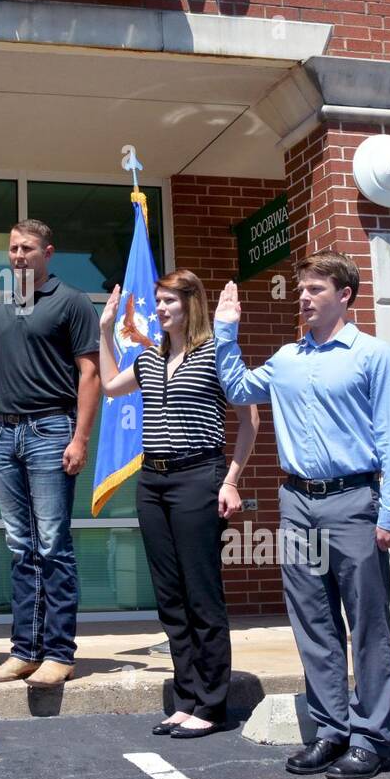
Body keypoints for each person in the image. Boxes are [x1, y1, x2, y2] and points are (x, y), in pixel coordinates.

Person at [214, 250, 390, 779]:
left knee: (368, 624)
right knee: (313, 621)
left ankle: (371, 737)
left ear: (344, 296)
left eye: (315, 290)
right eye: (301, 290)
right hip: (296, 501)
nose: (303, 298)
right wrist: (225, 334)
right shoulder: (286, 359)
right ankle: (330, 730)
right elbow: (236, 389)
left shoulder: (375, 355)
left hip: (354, 501)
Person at [99, 270, 259, 738]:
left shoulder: (214, 353)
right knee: (170, 598)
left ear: (192, 303)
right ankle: (185, 698)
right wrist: (106, 329)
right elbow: (110, 387)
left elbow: (249, 422)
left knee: (201, 594)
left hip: (199, 477)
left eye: (169, 300)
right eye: (158, 301)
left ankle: (211, 704)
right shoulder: (150, 357)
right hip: (153, 482)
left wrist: (231, 480)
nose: (161, 309)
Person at [0, 221, 100, 687]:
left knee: (52, 544)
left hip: (53, 429)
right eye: (12, 249)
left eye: (27, 248)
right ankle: (25, 651)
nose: (18, 255)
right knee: (21, 546)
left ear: (48, 252)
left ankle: (59, 653)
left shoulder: (71, 302)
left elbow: (89, 375)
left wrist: (80, 438)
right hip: (7, 437)